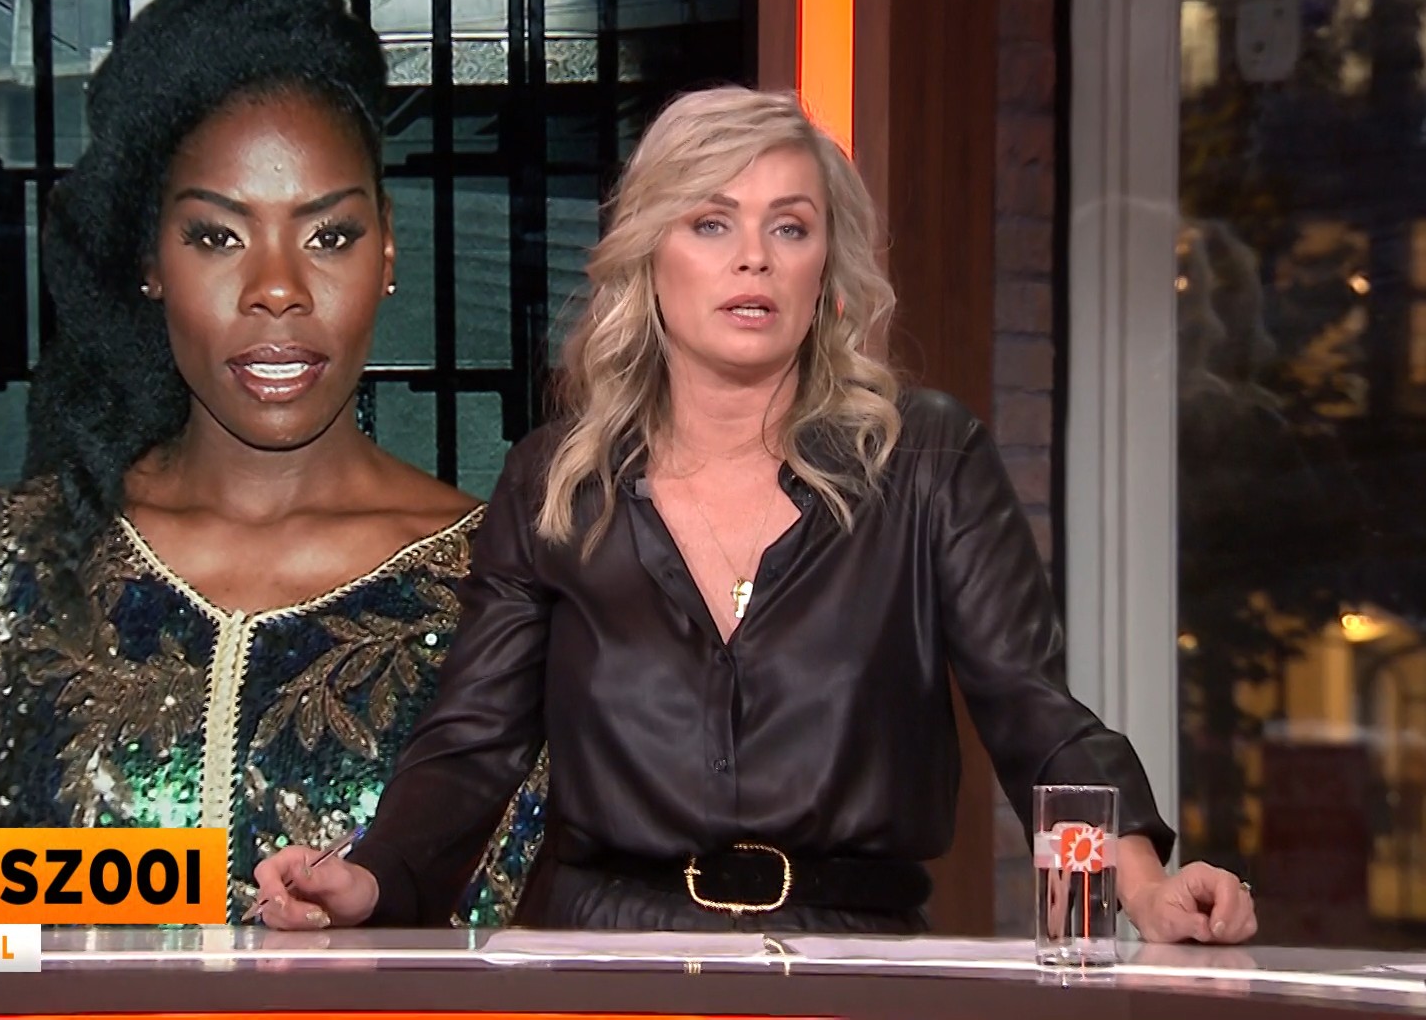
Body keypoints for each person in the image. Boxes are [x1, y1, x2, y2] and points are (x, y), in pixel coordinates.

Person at [255, 86, 1258, 943]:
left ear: (827, 264)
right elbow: (474, 742)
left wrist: (1142, 886)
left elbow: (1030, 711)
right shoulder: (556, 481)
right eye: (711, 223)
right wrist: (372, 879)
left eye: (790, 226)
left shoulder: (927, 460)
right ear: (651, 255)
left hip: (848, 960)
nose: (755, 260)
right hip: (605, 956)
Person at [0, 0, 543, 925]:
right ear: (150, 260)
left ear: (388, 252)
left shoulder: (497, 591)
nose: (277, 288)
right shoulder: (5, 568)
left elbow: (542, 943)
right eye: (217, 236)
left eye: (328, 236)